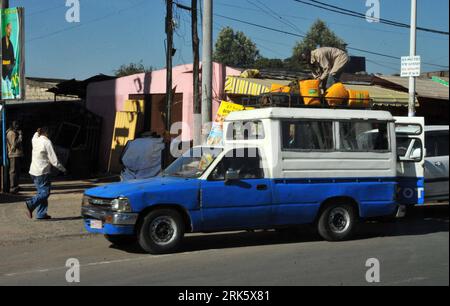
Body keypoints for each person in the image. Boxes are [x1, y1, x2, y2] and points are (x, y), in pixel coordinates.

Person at [25, 127, 66, 220]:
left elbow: (35, 133)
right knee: (45, 193)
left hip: (33, 171)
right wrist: (63, 169)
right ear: (47, 133)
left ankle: (41, 214)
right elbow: (54, 161)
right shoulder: (47, 142)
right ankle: (30, 203)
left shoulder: (35, 139)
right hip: (42, 172)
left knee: (41, 192)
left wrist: (37, 131)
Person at [6, 121, 24, 194]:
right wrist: (20, 135)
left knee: (16, 171)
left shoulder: (12, 132)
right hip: (13, 154)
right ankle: (13, 187)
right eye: (16, 124)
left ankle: (15, 186)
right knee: (13, 171)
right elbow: (14, 144)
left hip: (16, 154)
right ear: (12, 125)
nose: (17, 126)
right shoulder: (11, 133)